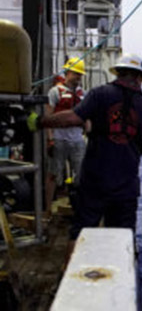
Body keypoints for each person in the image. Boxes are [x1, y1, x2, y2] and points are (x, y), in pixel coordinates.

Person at [28, 54, 142, 245]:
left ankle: (67, 272)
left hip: (94, 182)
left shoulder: (100, 94)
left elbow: (73, 118)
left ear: (119, 73)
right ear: (140, 77)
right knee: (123, 237)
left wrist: (41, 122)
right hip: (125, 186)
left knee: (80, 233)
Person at [45, 57, 87, 215]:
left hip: (77, 140)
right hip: (59, 138)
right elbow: (48, 117)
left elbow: (87, 118)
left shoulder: (82, 94)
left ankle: (79, 207)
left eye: (80, 74)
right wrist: (50, 139)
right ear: (67, 73)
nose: (78, 77)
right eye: (76, 73)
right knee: (54, 174)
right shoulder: (55, 92)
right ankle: (48, 209)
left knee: (80, 175)